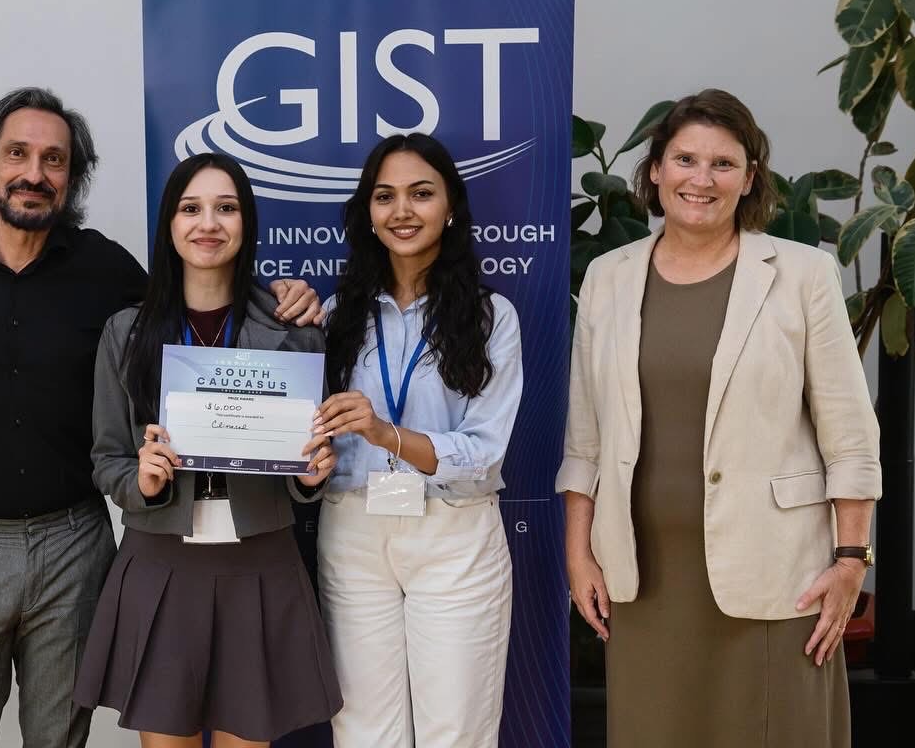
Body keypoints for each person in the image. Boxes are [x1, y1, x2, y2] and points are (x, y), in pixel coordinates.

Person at [0, 88, 322, 748]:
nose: (34, 173)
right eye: (17, 154)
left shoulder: (106, 271)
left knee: (60, 739)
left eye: (54, 159)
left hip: (75, 545)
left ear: (72, 176)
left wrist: (280, 293)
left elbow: (197, 298)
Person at [558, 89, 882, 748]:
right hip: (644, 578)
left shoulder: (803, 275)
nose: (701, 179)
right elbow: (585, 439)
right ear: (655, 169)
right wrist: (578, 553)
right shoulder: (607, 278)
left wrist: (852, 559)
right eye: (685, 159)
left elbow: (850, 435)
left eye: (723, 163)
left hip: (774, 570)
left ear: (750, 177)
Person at [74, 152, 343, 747]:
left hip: (261, 567)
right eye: (190, 208)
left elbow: (308, 469)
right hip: (160, 567)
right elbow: (107, 457)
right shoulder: (126, 331)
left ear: (247, 223)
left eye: (226, 208)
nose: (208, 223)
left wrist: (312, 475)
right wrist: (139, 481)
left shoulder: (295, 331)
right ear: (169, 224)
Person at [315, 133, 524, 748]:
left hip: (453, 534)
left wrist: (385, 433)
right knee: (361, 732)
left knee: (456, 733)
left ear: (450, 206)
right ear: (367, 212)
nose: (402, 211)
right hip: (353, 531)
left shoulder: (491, 317)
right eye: (385, 196)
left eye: (421, 194)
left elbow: (484, 451)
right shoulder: (336, 314)